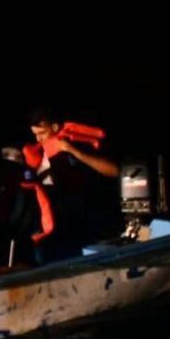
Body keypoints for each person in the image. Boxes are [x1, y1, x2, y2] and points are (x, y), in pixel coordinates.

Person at [23, 106, 119, 258]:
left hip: (85, 223)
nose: (38, 139)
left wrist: (74, 151)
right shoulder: (38, 154)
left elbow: (114, 171)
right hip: (54, 228)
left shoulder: (75, 143)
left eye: (42, 133)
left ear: (55, 127)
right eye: (35, 135)